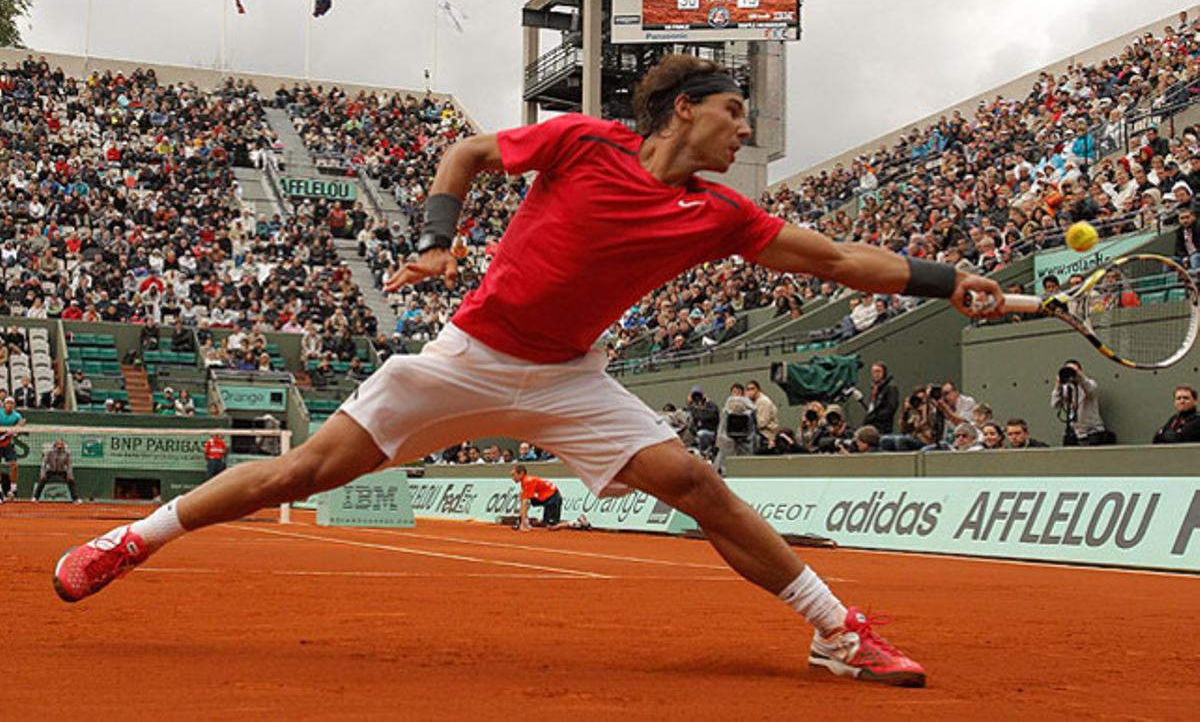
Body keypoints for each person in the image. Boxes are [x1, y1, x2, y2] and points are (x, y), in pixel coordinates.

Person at [54, 55, 1003, 688]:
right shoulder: (584, 141)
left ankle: (836, 631)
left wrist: (948, 277)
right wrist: (436, 242)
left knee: (697, 484)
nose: (741, 132)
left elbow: (835, 260)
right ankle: (132, 539)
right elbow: (464, 152)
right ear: (686, 108)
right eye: (733, 113)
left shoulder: (719, 214)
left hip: (570, 381)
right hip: (465, 359)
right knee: (300, 473)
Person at [1051, 360, 1109, 446]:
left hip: (1093, 432)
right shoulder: (1066, 388)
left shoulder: (1090, 384)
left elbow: (1090, 389)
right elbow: (1055, 404)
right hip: (1075, 433)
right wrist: (1058, 385)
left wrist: (1079, 376)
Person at [510, 464, 566, 530]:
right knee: (522, 495)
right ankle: (524, 521)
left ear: (521, 473)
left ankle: (571, 524)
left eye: (514, 475)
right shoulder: (524, 481)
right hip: (546, 496)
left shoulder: (528, 481)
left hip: (553, 497)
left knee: (552, 526)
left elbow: (525, 503)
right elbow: (525, 501)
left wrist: (523, 524)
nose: (512, 478)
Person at [33, 437, 80, 503]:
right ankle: (35, 497)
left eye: (61, 444)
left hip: (62, 470)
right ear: (55, 445)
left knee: (71, 481)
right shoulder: (49, 452)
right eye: (58, 444)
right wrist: (42, 473)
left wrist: (69, 475)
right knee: (42, 480)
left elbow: (69, 465)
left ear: (63, 445)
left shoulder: (67, 453)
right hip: (51, 470)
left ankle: (76, 499)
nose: (59, 447)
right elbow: (44, 464)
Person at [861, 362, 899, 434]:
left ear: (884, 373)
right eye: (873, 372)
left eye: (878, 371)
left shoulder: (890, 388)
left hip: (883, 428)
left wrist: (875, 418)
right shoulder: (875, 389)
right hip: (871, 426)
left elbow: (891, 407)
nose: (876, 374)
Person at [0, 397, 25, 502]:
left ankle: (13, 490)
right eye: (8, 403)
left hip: (8, 443)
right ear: (4, 405)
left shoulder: (16, 415)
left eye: (12, 403)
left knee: (14, 465)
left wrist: (15, 429)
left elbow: (22, 422)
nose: (9, 405)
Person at [744, 380, 779, 453]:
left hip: (766, 436)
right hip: (758, 436)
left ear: (758, 390)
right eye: (748, 389)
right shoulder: (752, 402)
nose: (750, 392)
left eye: (752, 389)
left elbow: (762, 423)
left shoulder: (763, 402)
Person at [686, 386, 720, 456]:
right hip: (697, 432)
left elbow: (706, 415)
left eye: (698, 396)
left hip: (711, 432)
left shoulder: (711, 406)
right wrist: (690, 405)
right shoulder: (694, 407)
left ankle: (703, 453)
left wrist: (697, 408)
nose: (697, 398)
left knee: (701, 434)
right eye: (695, 396)